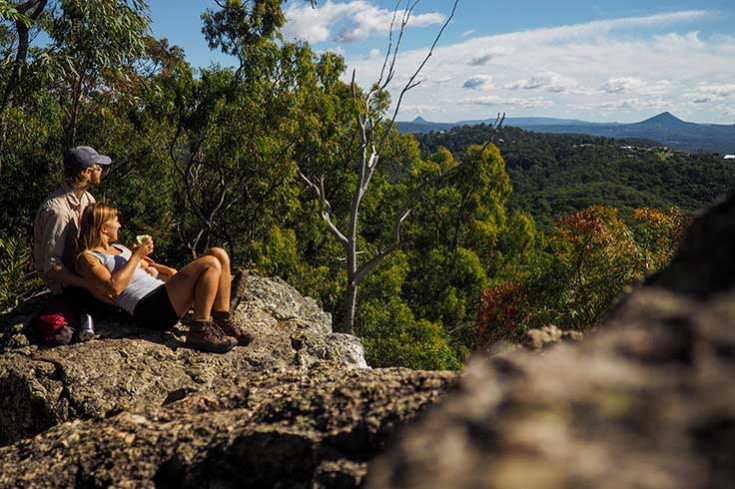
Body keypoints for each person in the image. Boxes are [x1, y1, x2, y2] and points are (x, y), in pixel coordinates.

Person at [75, 202, 252, 353]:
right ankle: (200, 330)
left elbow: (150, 267)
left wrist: (152, 260)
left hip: (160, 293)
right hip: (149, 308)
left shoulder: (120, 248)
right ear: (104, 228)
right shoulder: (89, 257)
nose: (120, 225)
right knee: (210, 263)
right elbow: (114, 288)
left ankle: (222, 319)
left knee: (218, 253)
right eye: (115, 221)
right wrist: (136, 256)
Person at [32, 146, 115, 344]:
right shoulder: (57, 212)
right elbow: (52, 268)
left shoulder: (87, 200)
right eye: (97, 167)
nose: (101, 170)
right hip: (65, 283)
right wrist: (90, 285)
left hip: (82, 270)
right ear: (87, 172)